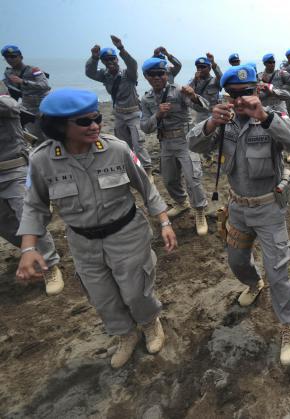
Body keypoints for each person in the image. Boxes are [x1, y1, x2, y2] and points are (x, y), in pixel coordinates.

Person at [15, 88, 177, 368]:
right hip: (83, 243)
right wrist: (29, 247)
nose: (94, 126)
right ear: (59, 126)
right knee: (102, 297)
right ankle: (125, 334)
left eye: (97, 119)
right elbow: (34, 206)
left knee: (137, 290)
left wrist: (164, 222)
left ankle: (150, 323)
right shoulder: (42, 160)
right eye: (84, 121)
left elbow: (146, 188)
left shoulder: (116, 149)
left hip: (127, 235)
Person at [187, 64, 290, 366]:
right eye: (235, 95)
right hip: (238, 208)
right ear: (227, 96)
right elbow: (193, 143)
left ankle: (288, 325)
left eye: (248, 92)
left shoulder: (272, 118)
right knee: (237, 261)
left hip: (269, 208)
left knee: (278, 271)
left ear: (257, 91)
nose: (241, 100)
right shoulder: (224, 123)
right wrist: (209, 124)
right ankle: (254, 284)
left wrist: (264, 116)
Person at [0, 81, 64, 295]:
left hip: (13, 168)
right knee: (4, 223)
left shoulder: (4, 99)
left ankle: (50, 265)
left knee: (28, 214)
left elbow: (11, 105)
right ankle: (30, 250)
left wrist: (23, 83)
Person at [139, 57, 210, 236]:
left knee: (193, 179)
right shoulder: (146, 98)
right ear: (146, 76)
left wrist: (193, 96)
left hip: (185, 140)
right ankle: (181, 203)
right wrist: (158, 115)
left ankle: (200, 211)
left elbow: (204, 109)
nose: (157, 77)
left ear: (166, 74)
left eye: (161, 73)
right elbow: (145, 127)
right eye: (152, 74)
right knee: (169, 180)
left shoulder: (179, 91)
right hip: (165, 142)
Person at [85, 35, 153, 180]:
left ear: (117, 59)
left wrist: (121, 48)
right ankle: (130, 169)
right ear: (103, 61)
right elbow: (89, 73)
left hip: (134, 113)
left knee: (138, 144)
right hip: (119, 115)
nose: (110, 62)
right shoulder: (105, 75)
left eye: (112, 58)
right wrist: (94, 57)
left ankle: (147, 170)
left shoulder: (128, 74)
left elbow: (132, 63)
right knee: (124, 146)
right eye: (106, 59)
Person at [2, 44, 50, 144]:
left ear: (21, 57)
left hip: (44, 105)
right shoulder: (8, 73)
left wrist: (23, 82)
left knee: (49, 134)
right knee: (35, 136)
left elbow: (44, 85)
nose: (10, 59)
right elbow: (6, 88)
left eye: (13, 56)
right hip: (28, 107)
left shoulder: (34, 70)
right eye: (7, 57)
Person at [188, 53, 223, 167]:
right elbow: (187, 92)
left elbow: (222, 79)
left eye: (203, 67)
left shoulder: (215, 81)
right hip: (201, 113)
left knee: (219, 135)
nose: (200, 69)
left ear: (209, 68)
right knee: (204, 135)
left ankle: (219, 157)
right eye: (198, 67)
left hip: (215, 111)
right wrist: (195, 80)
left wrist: (214, 63)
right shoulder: (194, 80)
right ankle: (208, 158)